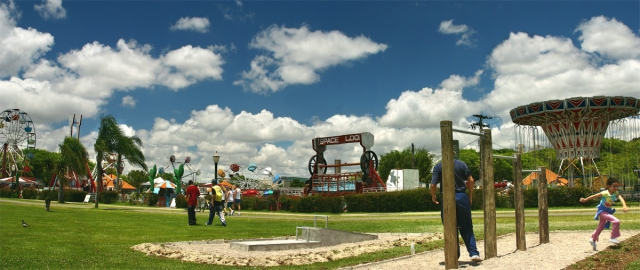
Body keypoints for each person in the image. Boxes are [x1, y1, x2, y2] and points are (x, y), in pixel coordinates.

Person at [430, 156, 483, 263]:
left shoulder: (439, 166)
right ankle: (474, 253)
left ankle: (454, 255)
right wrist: (470, 196)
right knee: (467, 226)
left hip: (446, 196)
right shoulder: (461, 164)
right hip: (461, 195)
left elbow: (433, 184)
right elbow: (471, 180)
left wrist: (433, 196)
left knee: (450, 227)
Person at [580, 177, 629, 251]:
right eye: (614, 186)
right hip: (602, 211)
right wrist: (585, 200)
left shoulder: (615, 193)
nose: (616, 188)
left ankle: (593, 239)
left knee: (601, 226)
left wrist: (624, 206)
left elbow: (621, 198)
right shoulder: (605, 193)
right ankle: (613, 237)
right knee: (616, 221)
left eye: (617, 186)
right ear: (608, 186)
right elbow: (594, 196)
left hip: (608, 211)